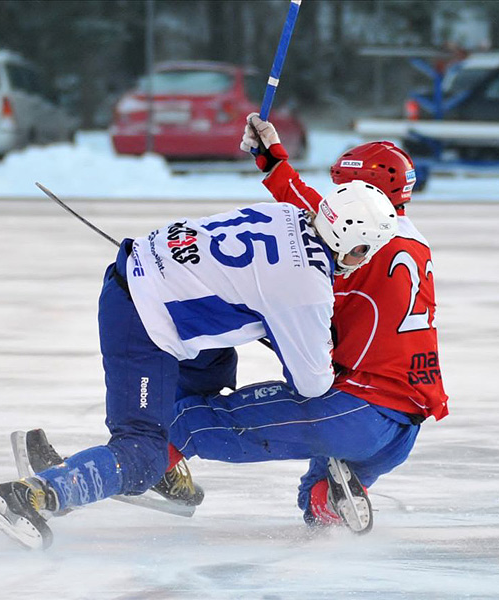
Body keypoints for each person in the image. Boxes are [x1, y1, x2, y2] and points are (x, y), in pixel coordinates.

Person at [0, 185, 399, 549]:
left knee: (214, 366)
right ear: (354, 243)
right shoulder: (308, 284)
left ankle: (158, 463)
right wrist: (316, 348)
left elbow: (248, 280)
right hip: (143, 318)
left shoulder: (285, 213)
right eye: (366, 252)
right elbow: (311, 383)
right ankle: (29, 497)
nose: (363, 261)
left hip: (142, 277)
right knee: (140, 453)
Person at [159, 114, 449, 531]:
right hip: (404, 423)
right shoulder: (408, 238)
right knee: (316, 491)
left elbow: (315, 227)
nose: (338, 201)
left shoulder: (371, 245)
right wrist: (274, 165)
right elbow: (319, 217)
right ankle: (327, 505)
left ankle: (141, 465)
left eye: (347, 190)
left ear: (370, 192)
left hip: (356, 407)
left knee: (196, 421)